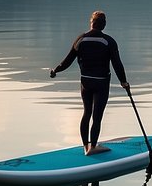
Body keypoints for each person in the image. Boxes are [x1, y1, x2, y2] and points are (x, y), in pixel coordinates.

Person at [50, 10, 129, 155]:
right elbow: (117, 64)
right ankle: (93, 147)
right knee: (97, 116)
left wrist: (56, 70)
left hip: (85, 82)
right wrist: (123, 82)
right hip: (101, 83)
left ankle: (85, 146)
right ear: (104, 25)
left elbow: (67, 60)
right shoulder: (109, 41)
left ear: (91, 23)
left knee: (87, 112)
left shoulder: (81, 39)